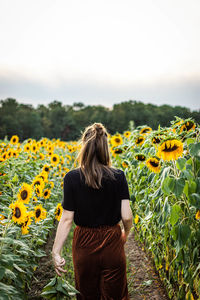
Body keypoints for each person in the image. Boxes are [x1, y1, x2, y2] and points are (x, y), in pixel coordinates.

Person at [52, 122, 133, 300]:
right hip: (112, 241)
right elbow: (126, 216)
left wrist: (56, 251)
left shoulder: (71, 178)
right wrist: (125, 234)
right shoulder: (118, 176)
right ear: (106, 147)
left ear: (84, 147)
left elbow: (66, 219)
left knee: (87, 294)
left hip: (84, 244)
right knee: (115, 295)